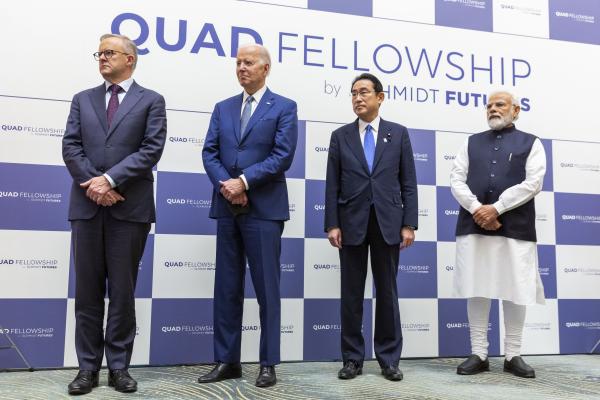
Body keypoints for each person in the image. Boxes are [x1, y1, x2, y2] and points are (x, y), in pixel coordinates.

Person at [62, 33, 167, 395]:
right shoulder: (82, 99)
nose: (102, 58)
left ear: (130, 59)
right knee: (87, 292)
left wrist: (109, 180)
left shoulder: (151, 100)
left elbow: (151, 149)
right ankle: (87, 369)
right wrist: (95, 185)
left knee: (123, 292)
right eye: (100, 53)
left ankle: (119, 367)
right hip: (87, 209)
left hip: (129, 209)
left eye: (109, 53)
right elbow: (70, 146)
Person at [199, 44, 298, 388]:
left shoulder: (284, 107)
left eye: (249, 62)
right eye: (238, 62)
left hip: (264, 209)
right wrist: (226, 185)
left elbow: (282, 156)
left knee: (267, 289)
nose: (242, 67)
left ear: (266, 68)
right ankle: (227, 361)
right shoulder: (222, 107)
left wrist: (243, 181)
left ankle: (268, 363)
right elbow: (209, 152)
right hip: (227, 207)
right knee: (226, 288)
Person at [324, 73, 418, 381]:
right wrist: (332, 224)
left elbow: (408, 183)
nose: (357, 98)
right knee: (351, 294)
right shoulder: (340, 136)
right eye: (353, 93)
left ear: (380, 96)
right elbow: (332, 184)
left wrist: (409, 223)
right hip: (350, 222)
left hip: (388, 222)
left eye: (364, 92)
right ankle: (352, 358)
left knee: (387, 293)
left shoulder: (398, 133)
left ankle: (389, 359)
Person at [450, 91, 546, 378]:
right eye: (489, 105)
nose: (493, 109)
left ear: (515, 110)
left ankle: (513, 354)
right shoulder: (470, 142)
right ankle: (478, 352)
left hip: (515, 227)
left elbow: (534, 182)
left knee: (515, 286)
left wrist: (498, 208)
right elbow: (456, 179)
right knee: (476, 285)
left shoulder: (532, 142)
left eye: (499, 104)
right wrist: (479, 209)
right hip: (473, 223)